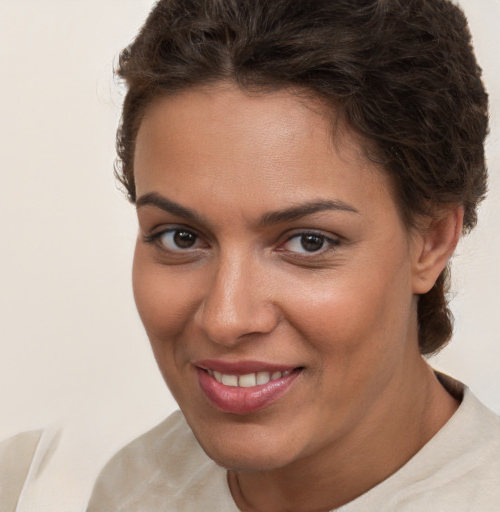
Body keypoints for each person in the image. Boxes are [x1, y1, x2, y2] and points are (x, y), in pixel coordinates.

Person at [87, 0, 500, 510]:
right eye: (182, 237)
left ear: (431, 241)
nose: (226, 318)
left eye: (309, 242)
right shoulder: (124, 488)